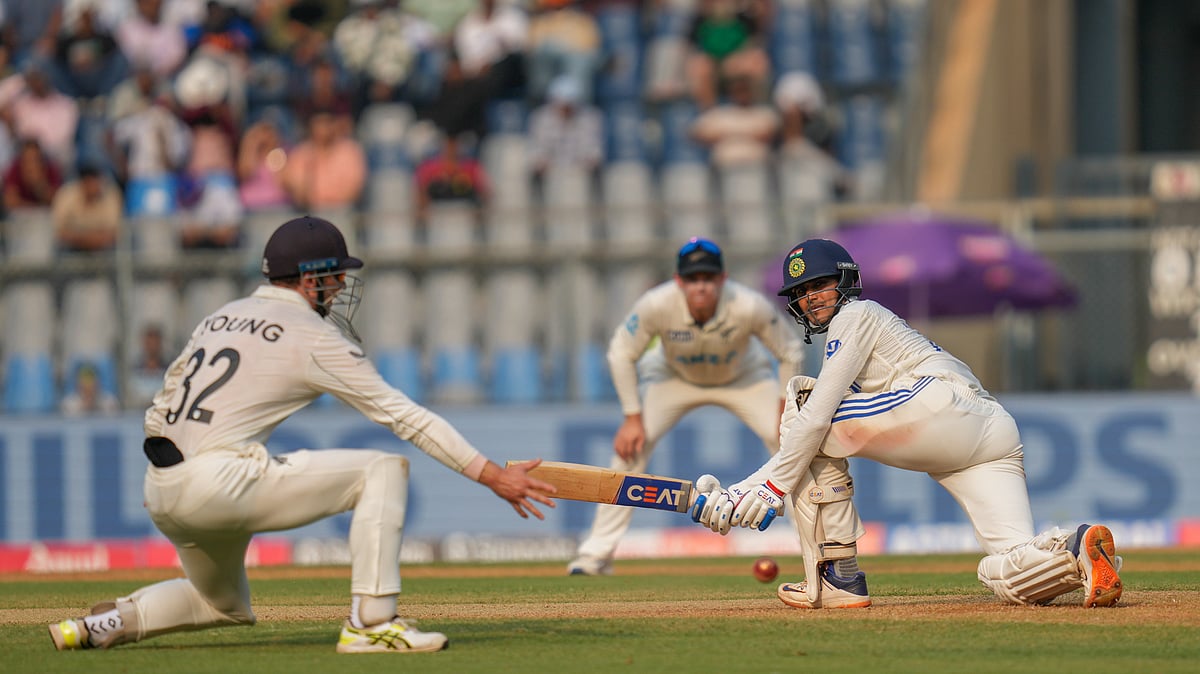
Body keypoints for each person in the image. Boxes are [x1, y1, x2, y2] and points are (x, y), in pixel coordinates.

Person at [48, 215, 559, 654]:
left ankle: (98, 626)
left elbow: (164, 400)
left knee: (220, 604)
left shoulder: (221, 315)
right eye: (334, 276)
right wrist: (492, 474)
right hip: (219, 482)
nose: (339, 288)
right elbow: (404, 417)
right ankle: (374, 625)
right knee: (382, 469)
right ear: (310, 277)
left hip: (161, 486)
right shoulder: (311, 335)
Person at [690, 238, 1124, 609]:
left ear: (844, 282)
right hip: (991, 433)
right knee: (1004, 572)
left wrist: (758, 490)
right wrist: (746, 492)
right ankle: (1072, 549)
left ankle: (838, 577)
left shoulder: (856, 315)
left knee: (804, 401)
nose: (812, 298)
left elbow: (818, 416)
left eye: (820, 284)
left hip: (938, 403)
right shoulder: (859, 327)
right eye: (802, 292)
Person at [567, 237, 806, 575]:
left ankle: (816, 545)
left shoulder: (749, 306)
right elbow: (621, 352)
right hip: (673, 379)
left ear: (722, 280)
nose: (701, 287)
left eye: (708, 279)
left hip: (744, 378)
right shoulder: (656, 305)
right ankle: (596, 554)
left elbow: (790, 351)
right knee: (630, 450)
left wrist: (784, 405)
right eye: (693, 280)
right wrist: (632, 417)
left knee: (794, 444)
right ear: (679, 282)